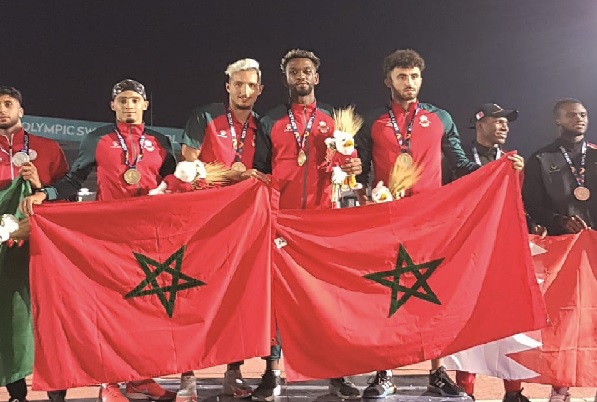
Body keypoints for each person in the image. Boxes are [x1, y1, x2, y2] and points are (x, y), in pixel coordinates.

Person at [355, 50, 524, 399]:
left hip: (432, 219)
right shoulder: (373, 120)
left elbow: (460, 164)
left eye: (415, 76)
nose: (409, 83)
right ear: (388, 81)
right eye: (402, 76)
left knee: (434, 293)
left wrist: (498, 169)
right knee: (385, 293)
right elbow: (360, 168)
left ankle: (438, 372)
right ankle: (384, 372)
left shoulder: (440, 117)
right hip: (387, 216)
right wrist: (358, 189)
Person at [20, 79, 177, 402]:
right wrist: (44, 194)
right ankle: (110, 383)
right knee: (112, 312)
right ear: (112, 105)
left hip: (149, 237)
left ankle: (141, 377)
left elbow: (174, 183)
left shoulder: (160, 141)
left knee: (147, 310)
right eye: (123, 100)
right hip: (109, 239)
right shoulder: (98, 139)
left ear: (145, 105)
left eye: (134, 100)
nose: (129, 105)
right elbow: (73, 179)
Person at [252, 48, 361, 401]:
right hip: (280, 221)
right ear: (286, 78)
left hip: (321, 222)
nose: (300, 76)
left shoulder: (334, 120)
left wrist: (354, 167)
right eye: (294, 72)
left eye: (306, 71)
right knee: (277, 299)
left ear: (316, 77)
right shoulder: (269, 121)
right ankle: (272, 373)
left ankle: (336, 373)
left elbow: (348, 166)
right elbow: (260, 170)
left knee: (326, 298)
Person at [177, 58, 264, 401]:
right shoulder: (205, 117)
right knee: (192, 295)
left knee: (236, 298)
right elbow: (189, 161)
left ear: (259, 89)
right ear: (228, 86)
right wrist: (233, 175)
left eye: (251, 85)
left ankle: (233, 371)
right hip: (203, 220)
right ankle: (187, 375)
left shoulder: (262, 126)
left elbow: (266, 170)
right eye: (238, 84)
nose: (244, 91)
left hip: (242, 223)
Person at [445, 103, 531, 402]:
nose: (505, 125)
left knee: (510, 319)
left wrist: (519, 177)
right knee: (466, 321)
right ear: (480, 123)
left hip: (503, 251)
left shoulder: (513, 161)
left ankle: (514, 391)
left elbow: (521, 206)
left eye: (507, 121)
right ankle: (466, 391)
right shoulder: (457, 160)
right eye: (498, 120)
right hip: (466, 251)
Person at [523, 98, 595, 402]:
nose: (580, 119)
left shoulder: (596, 156)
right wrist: (558, 221)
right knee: (564, 319)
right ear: (558, 120)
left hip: (595, 247)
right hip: (563, 250)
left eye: (583, 115)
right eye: (572, 115)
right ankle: (560, 385)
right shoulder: (541, 158)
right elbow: (531, 203)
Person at [0, 86, 69, 402]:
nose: (2, 109)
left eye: (8, 103)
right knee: (10, 315)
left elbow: (66, 195)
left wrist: (41, 188)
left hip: (43, 246)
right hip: (4, 246)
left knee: (51, 315)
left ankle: (57, 391)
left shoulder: (48, 148)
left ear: (21, 110)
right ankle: (17, 392)